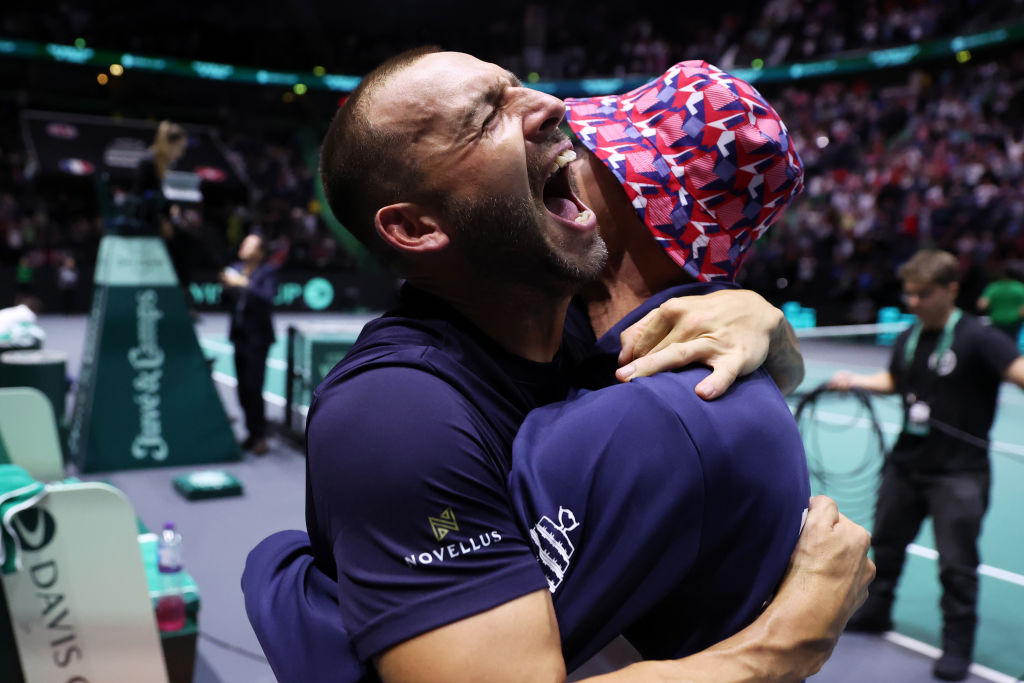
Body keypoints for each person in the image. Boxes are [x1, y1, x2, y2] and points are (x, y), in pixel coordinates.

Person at [244, 49, 873, 682]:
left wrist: (762, 321)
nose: (551, 107)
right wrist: (789, 639)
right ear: (415, 226)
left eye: (520, 89)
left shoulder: (593, 340)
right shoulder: (396, 416)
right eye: (486, 118)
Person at [829, 249, 1024, 681]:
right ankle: (876, 614)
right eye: (909, 293)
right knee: (887, 547)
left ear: (952, 290)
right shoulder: (909, 337)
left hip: (959, 474)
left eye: (924, 294)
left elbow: (1018, 370)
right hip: (907, 465)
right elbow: (896, 382)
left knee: (957, 565)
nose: (913, 302)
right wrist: (854, 379)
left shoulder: (980, 338)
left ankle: (958, 646)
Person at [220, 233, 278, 454]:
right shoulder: (235, 269)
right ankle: (251, 433)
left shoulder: (267, 272)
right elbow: (224, 301)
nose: (243, 246)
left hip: (258, 339)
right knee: (242, 390)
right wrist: (226, 287)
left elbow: (266, 299)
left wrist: (243, 283)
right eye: (243, 243)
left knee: (254, 387)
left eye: (249, 244)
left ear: (259, 253)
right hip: (239, 337)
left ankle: (260, 435)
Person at [976, 265, 1024, 343]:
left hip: (996, 323)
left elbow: (982, 305)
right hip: (1015, 325)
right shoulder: (1021, 288)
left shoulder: (993, 287)